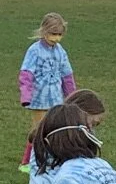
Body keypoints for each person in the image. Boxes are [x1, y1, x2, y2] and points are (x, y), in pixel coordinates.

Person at [18, 12, 75, 169]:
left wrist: (71, 96)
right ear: (44, 31)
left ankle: (51, 159)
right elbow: (26, 74)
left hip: (56, 99)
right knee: (38, 131)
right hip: (39, 99)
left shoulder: (60, 51)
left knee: (55, 129)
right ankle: (27, 162)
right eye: (52, 34)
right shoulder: (34, 51)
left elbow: (67, 75)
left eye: (59, 35)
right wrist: (26, 95)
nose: (55, 38)